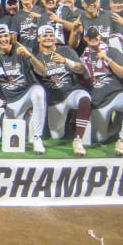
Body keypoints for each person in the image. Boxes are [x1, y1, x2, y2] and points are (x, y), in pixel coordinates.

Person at [0, 24, 47, 154]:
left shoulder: (21, 50)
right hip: (12, 101)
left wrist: (30, 56)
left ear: (10, 36)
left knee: (39, 93)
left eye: (6, 36)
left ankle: (37, 138)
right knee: (9, 139)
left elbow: (43, 72)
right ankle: (27, 123)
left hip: (27, 93)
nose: (3, 39)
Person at [79, 26, 123, 156]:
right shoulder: (83, 58)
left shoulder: (112, 51)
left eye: (96, 36)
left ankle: (122, 140)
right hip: (98, 100)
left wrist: (107, 59)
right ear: (85, 39)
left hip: (115, 94)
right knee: (100, 138)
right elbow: (84, 81)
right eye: (90, 37)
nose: (93, 39)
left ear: (100, 37)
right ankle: (115, 128)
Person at [33, 25, 90, 156]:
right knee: (57, 135)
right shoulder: (37, 57)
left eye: (51, 35)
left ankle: (78, 140)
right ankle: (69, 127)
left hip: (71, 92)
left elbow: (81, 69)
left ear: (54, 38)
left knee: (85, 98)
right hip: (55, 100)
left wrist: (66, 61)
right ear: (39, 39)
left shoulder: (65, 50)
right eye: (45, 36)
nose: (48, 38)